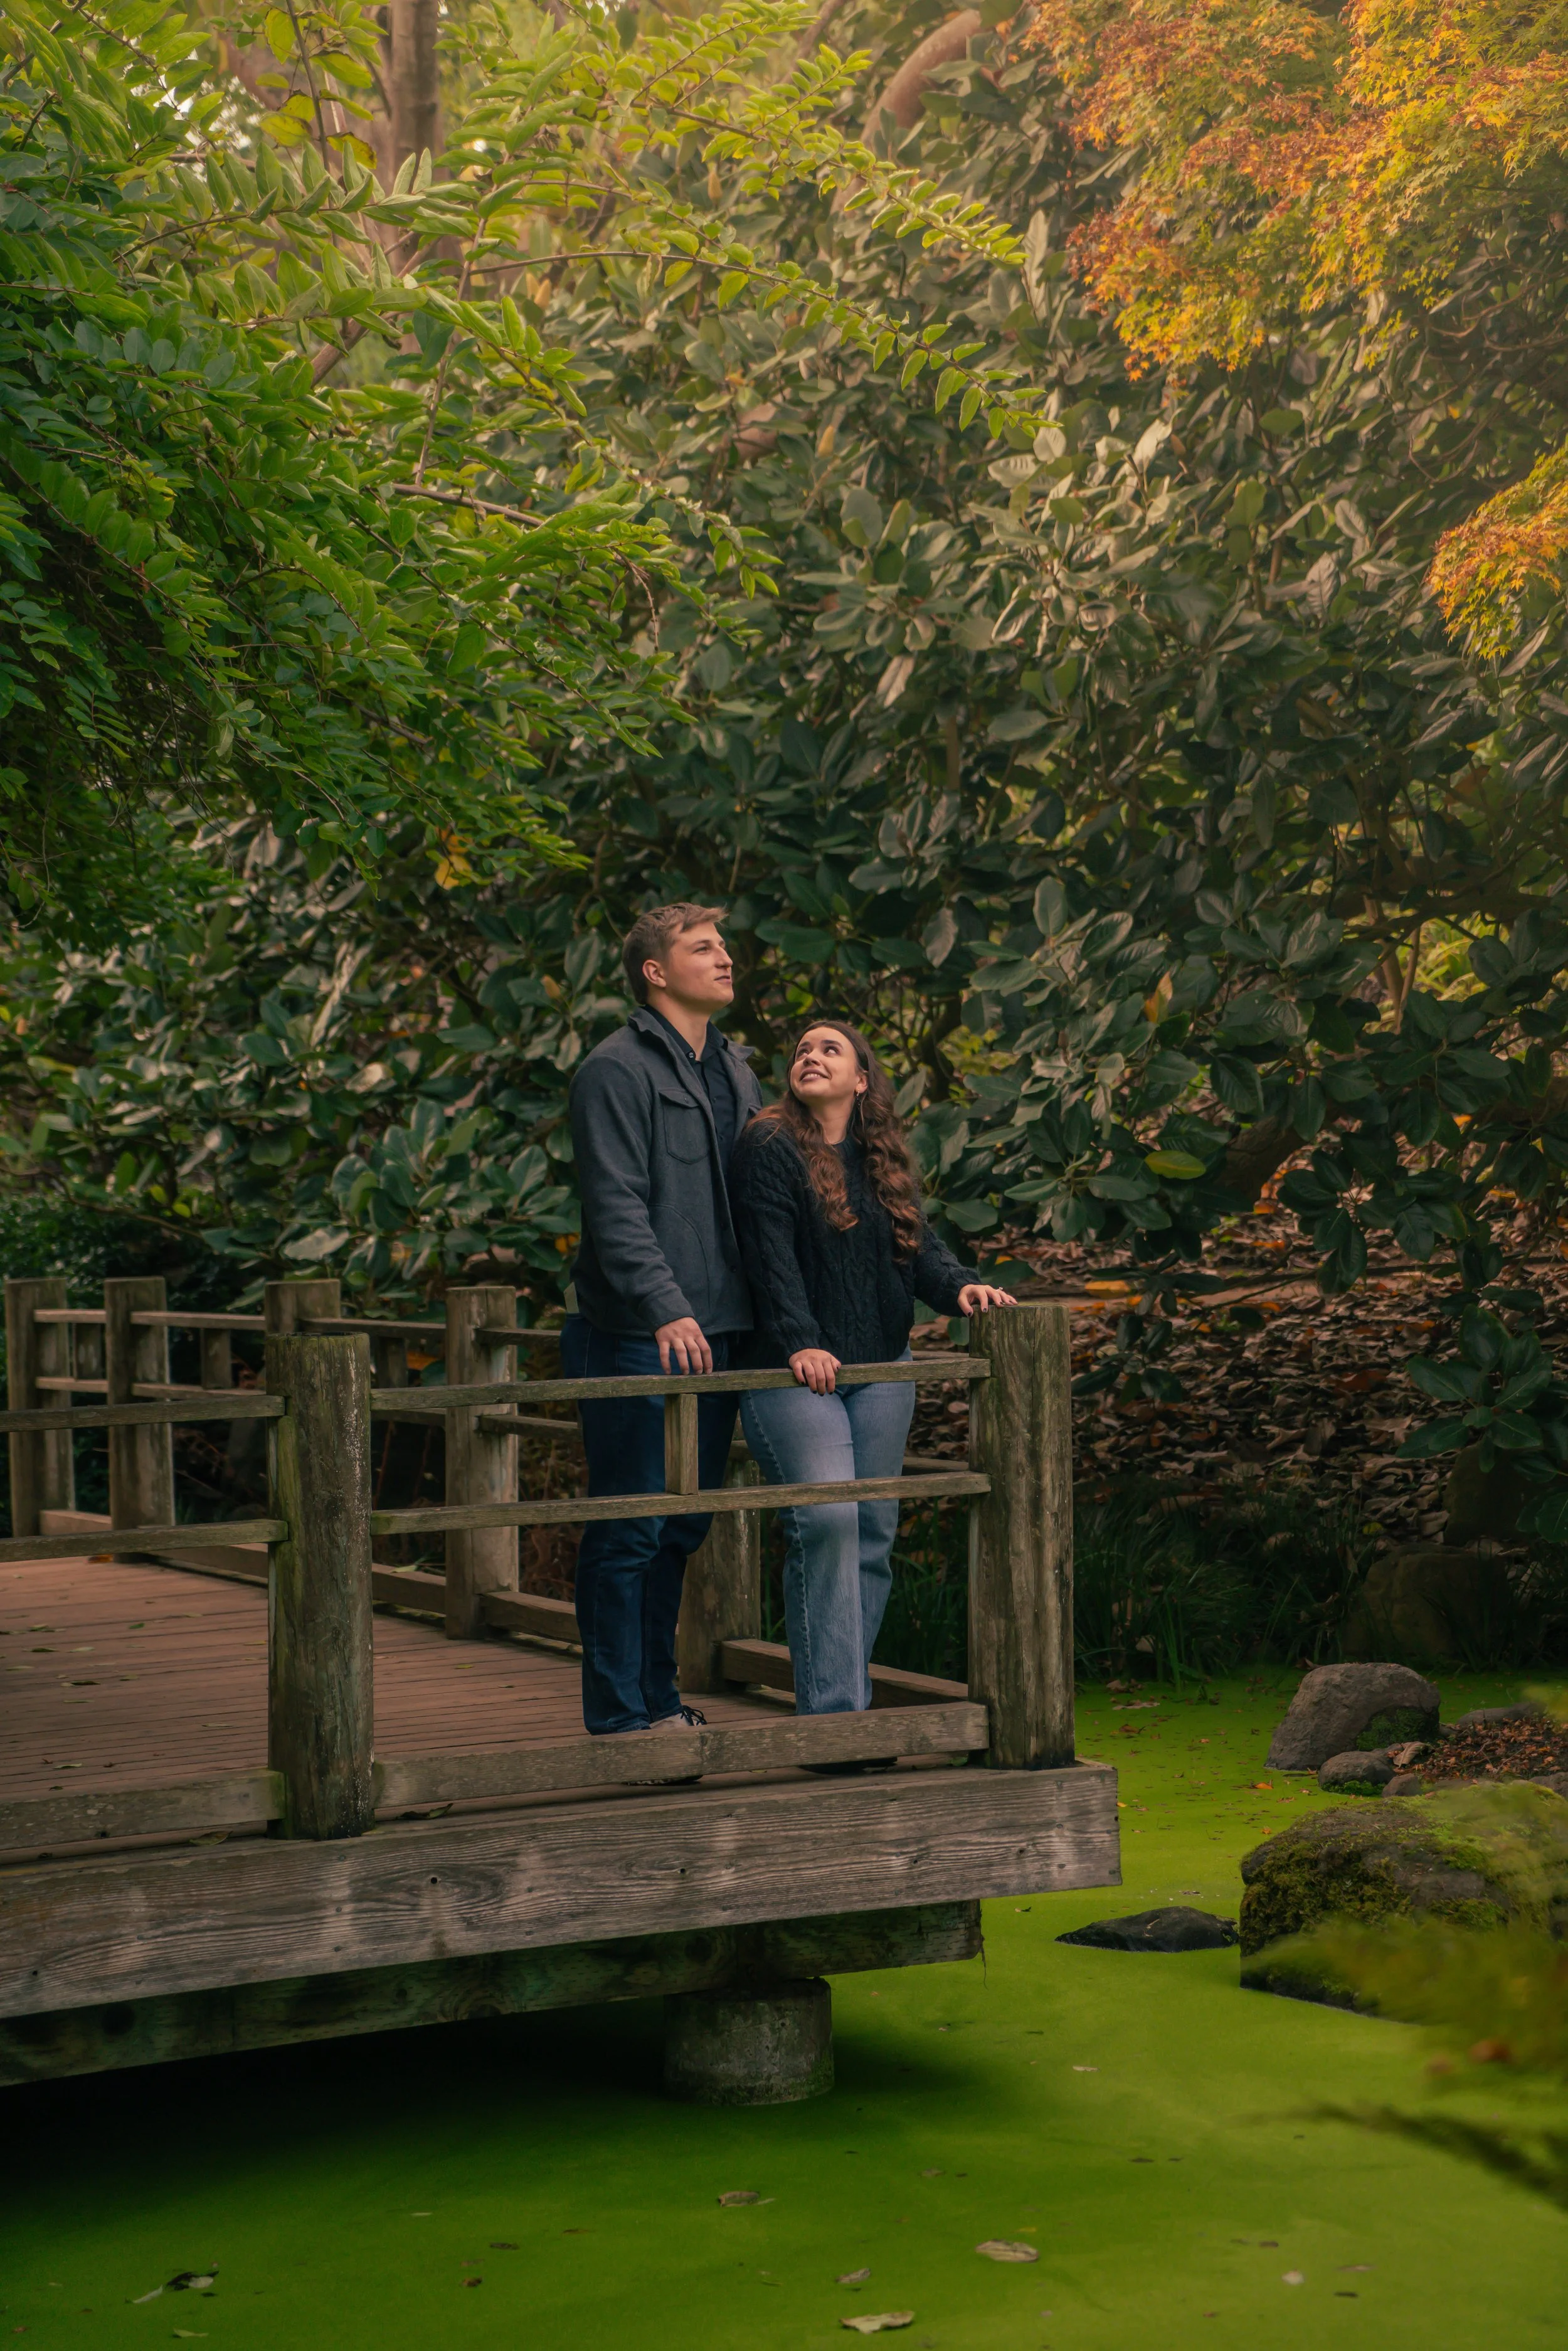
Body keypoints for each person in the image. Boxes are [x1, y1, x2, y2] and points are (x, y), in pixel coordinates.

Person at [729, 1019, 1014, 1726]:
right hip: (792, 1374)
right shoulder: (767, 1144)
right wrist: (799, 1339)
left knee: (873, 1534)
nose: (810, 1056)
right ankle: (833, 1721)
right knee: (826, 1520)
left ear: (861, 1080)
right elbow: (769, 1255)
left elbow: (920, 1248)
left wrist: (961, 1290)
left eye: (829, 1049)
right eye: (801, 1049)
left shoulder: (879, 1156)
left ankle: (846, 1709)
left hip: (884, 1368)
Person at [563, 903, 762, 1745]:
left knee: (682, 1529)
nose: (725, 958)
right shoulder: (614, 1071)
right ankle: (617, 1717)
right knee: (631, 1527)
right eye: (702, 948)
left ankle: (660, 1700)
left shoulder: (736, 1070)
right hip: (636, 1336)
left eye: (724, 945)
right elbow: (614, 1210)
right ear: (655, 970)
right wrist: (666, 1306)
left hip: (722, 1335)